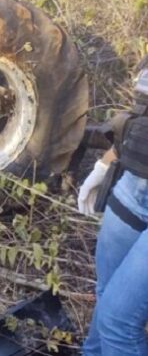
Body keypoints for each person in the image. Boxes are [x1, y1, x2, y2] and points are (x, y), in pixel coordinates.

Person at [78, 56, 148, 356]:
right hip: (132, 187)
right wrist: (105, 164)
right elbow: (141, 115)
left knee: (118, 322)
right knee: (106, 295)